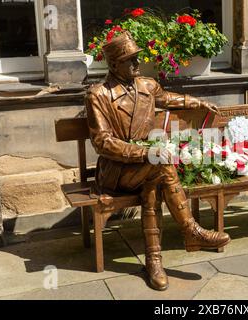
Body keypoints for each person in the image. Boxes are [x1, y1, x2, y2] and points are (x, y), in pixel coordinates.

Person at [85, 31, 231, 291]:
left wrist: (197, 102)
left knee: (154, 181)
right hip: (116, 172)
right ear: (114, 64)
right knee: (160, 163)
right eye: (130, 60)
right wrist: (143, 153)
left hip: (148, 168)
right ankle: (190, 232)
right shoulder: (98, 95)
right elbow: (102, 142)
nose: (137, 64)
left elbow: (169, 98)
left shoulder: (147, 86)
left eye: (137, 58)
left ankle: (154, 261)